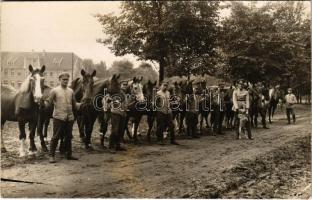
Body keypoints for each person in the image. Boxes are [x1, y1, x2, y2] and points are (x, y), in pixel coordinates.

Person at [45, 72, 80, 163]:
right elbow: (48, 102)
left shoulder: (71, 91)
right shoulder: (54, 90)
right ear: (59, 80)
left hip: (69, 117)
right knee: (55, 137)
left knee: (68, 137)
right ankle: (51, 156)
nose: (65, 81)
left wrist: (83, 104)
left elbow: (74, 104)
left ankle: (69, 154)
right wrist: (42, 104)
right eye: (63, 79)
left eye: (67, 80)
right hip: (58, 117)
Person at [108, 80, 130, 152]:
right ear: (120, 85)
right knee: (115, 130)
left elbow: (125, 103)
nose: (125, 86)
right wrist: (112, 100)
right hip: (115, 113)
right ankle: (111, 146)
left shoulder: (124, 93)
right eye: (123, 84)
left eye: (126, 85)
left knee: (120, 131)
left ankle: (117, 145)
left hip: (123, 114)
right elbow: (108, 98)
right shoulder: (115, 92)